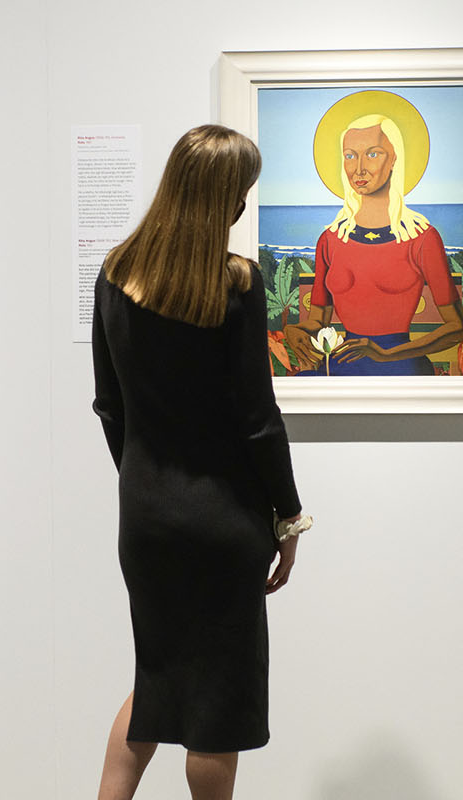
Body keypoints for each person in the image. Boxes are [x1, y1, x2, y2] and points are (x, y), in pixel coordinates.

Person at [91, 124, 310, 800]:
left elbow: (109, 406)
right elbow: (257, 419)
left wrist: (143, 482)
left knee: (155, 681)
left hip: (146, 518)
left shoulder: (115, 273)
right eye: (242, 191)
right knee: (219, 703)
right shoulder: (237, 282)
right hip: (223, 522)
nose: (245, 203)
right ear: (225, 197)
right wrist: (289, 517)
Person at [285, 111, 463, 376]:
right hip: (344, 361)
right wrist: (295, 331)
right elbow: (318, 320)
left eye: (372, 154)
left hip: (400, 362)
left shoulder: (421, 237)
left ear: (394, 159)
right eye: (350, 156)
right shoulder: (331, 239)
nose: (359, 168)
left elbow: (456, 327)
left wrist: (386, 354)